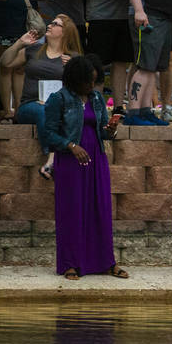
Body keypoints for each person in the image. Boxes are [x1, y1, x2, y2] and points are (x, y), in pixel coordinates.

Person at [42, 55, 125, 280]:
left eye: (95, 81)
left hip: (96, 159)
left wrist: (111, 129)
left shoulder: (97, 98)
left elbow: (102, 131)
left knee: (100, 210)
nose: (92, 85)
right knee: (72, 211)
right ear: (76, 79)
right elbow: (48, 133)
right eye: (88, 81)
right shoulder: (58, 99)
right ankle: (70, 263)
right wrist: (70, 145)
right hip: (70, 162)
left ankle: (106, 262)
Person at [3, 15, 82, 178]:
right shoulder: (33, 50)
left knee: (51, 110)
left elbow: (82, 87)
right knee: (43, 110)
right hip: (29, 105)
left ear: (65, 32)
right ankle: (52, 156)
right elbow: (5, 62)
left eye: (55, 24)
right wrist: (19, 43)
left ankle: (51, 161)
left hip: (59, 107)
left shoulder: (72, 57)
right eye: (51, 22)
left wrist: (72, 69)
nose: (50, 25)